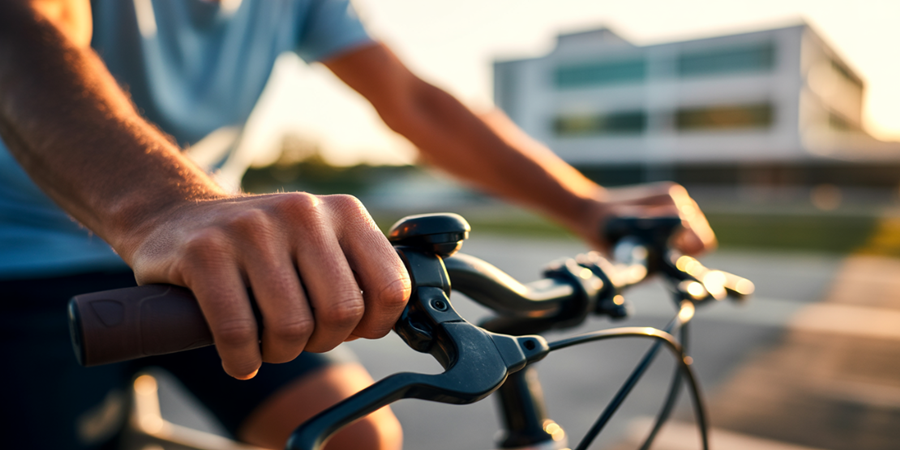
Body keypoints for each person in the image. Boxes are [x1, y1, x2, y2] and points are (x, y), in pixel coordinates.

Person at [0, 0, 717, 449]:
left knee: (356, 436)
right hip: (31, 259)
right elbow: (25, 31)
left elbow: (414, 102)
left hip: (213, 255)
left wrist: (589, 208)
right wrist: (162, 206)